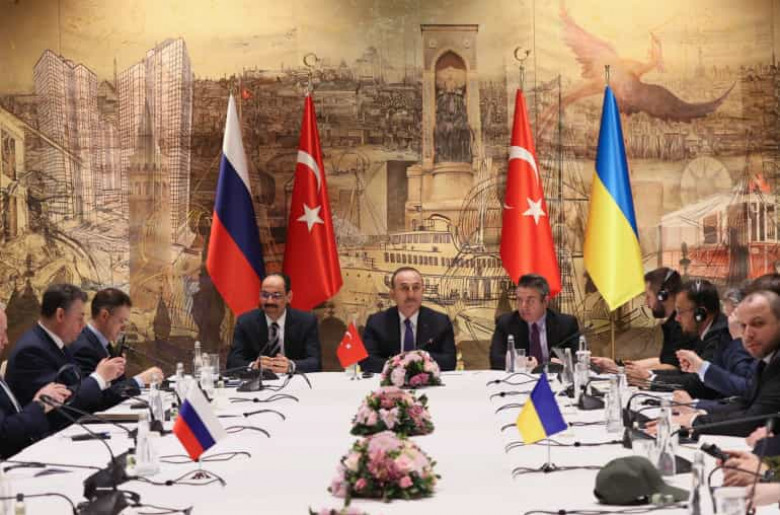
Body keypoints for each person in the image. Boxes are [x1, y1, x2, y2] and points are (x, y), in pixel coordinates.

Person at [657, 290, 780, 437]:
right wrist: (696, 410)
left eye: (758, 323)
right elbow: (746, 402)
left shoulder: (773, 361)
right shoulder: (767, 359)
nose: (748, 334)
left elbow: (754, 419)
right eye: (742, 325)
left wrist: (694, 419)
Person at [4, 284, 125, 417]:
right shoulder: (31, 350)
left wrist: (103, 377)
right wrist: (99, 377)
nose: (83, 325)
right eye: (79, 318)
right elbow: (61, 406)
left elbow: (76, 387)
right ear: (60, 315)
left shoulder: (55, 343)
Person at [638, 280, 752, 399]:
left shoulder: (720, 334)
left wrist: (651, 380)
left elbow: (700, 384)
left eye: (680, 312)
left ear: (700, 314)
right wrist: (649, 375)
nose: (677, 318)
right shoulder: (704, 332)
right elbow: (687, 373)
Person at [0, 305, 71, 458]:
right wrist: (40, 405)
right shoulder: (31, 348)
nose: (6, 341)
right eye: (2, 333)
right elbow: (4, 433)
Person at [593, 268, 694, 374]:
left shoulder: (682, 325)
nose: (646, 303)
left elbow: (673, 368)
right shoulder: (673, 323)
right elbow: (665, 360)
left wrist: (622, 370)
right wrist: (617, 365)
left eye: (648, 296)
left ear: (662, 296)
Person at [69, 288, 162, 404]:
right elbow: (95, 399)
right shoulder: (83, 348)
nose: (124, 327)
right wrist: (139, 381)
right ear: (104, 315)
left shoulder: (105, 344)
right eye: (121, 321)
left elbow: (117, 387)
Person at [360, 267, 456, 373]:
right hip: (391, 380)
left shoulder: (440, 321)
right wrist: (400, 365)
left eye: (416, 288)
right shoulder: (377, 322)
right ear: (392, 294)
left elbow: (450, 362)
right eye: (404, 288)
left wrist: (418, 360)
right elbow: (367, 361)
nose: (411, 295)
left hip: (427, 380)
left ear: (423, 291)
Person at [227, 273, 321, 374]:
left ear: (289, 297)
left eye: (276, 296)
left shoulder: (306, 322)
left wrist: (291, 366)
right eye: (265, 295)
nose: (269, 301)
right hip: (258, 381)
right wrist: (254, 366)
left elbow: (315, 362)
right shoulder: (245, 322)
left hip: (293, 380)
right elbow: (232, 361)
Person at [489, 274, 579, 371]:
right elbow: (495, 359)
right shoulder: (506, 323)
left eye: (530, 301)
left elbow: (579, 358)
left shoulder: (566, 324)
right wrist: (520, 362)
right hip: (521, 378)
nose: (523, 306)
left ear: (545, 301)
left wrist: (566, 363)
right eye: (519, 300)